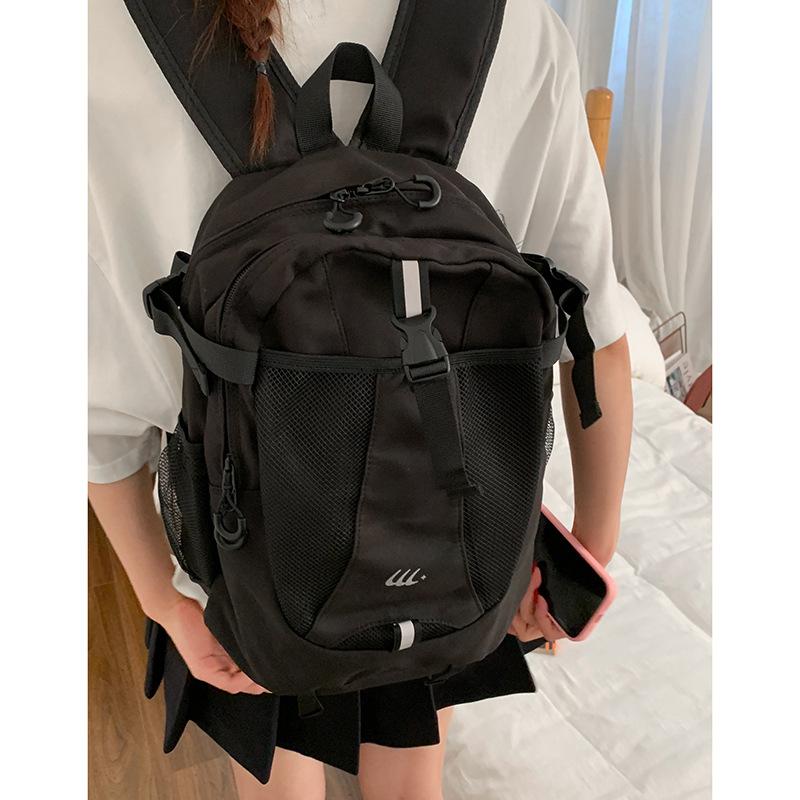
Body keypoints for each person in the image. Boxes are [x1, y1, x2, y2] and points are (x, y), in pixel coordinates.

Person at [88, 1, 633, 797]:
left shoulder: (108, 31)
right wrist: (585, 552)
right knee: (413, 778)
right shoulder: (513, 21)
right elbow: (596, 331)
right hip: (457, 534)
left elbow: (96, 402)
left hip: (252, 554)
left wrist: (162, 598)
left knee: (281, 780)